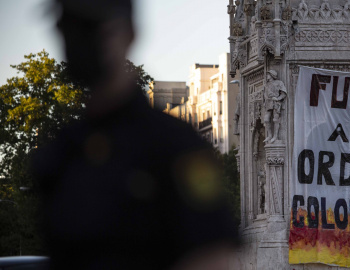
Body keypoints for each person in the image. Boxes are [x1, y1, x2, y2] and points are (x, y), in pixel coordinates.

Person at [32, 0, 238, 269]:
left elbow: (211, 255)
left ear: (130, 34)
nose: (77, 39)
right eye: (67, 26)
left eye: (91, 27)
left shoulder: (178, 145)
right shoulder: (61, 153)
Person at [263, 70, 287, 144]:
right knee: (266, 119)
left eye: (268, 74)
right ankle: (270, 135)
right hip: (268, 103)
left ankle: (275, 136)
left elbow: (283, 93)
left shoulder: (279, 83)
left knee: (275, 119)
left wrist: (277, 98)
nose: (267, 76)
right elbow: (264, 95)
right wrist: (265, 102)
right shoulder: (266, 85)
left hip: (276, 103)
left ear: (272, 75)